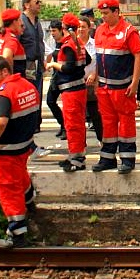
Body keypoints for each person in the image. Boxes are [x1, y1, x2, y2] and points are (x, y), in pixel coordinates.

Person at [0, 56, 41, 248]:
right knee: (20, 178)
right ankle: (30, 205)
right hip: (24, 145)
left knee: (8, 188)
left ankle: (17, 234)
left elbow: (1, 122)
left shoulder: (4, 93)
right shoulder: (26, 85)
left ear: (4, 72)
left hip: (7, 150)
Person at [92, 0, 140, 174]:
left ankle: (128, 159)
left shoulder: (129, 31)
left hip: (123, 87)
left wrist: (135, 82)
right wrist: (96, 78)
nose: (103, 17)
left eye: (106, 13)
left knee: (126, 121)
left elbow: (138, 56)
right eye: (102, 14)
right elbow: (100, 58)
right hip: (104, 87)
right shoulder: (99, 31)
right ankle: (107, 158)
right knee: (108, 123)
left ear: (116, 12)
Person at [49, 13, 90, 172]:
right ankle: (78, 155)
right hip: (79, 89)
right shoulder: (78, 42)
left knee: (72, 125)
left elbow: (68, 67)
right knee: (79, 124)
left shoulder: (68, 46)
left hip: (70, 91)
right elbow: (88, 61)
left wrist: (53, 65)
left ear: (64, 28)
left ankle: (76, 159)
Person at [78, 15, 103, 143]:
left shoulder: (95, 44)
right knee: (79, 117)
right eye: (78, 27)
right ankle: (81, 143)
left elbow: (100, 61)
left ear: (89, 28)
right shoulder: (73, 44)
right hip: (77, 84)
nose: (80, 29)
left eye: (83, 27)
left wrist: (94, 74)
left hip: (92, 84)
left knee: (96, 114)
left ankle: (102, 140)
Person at [44, 19, 67, 139]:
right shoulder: (55, 43)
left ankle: (66, 128)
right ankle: (63, 125)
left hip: (65, 78)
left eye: (54, 31)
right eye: (50, 31)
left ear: (61, 31)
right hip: (56, 78)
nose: (52, 33)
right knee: (50, 101)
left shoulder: (65, 43)